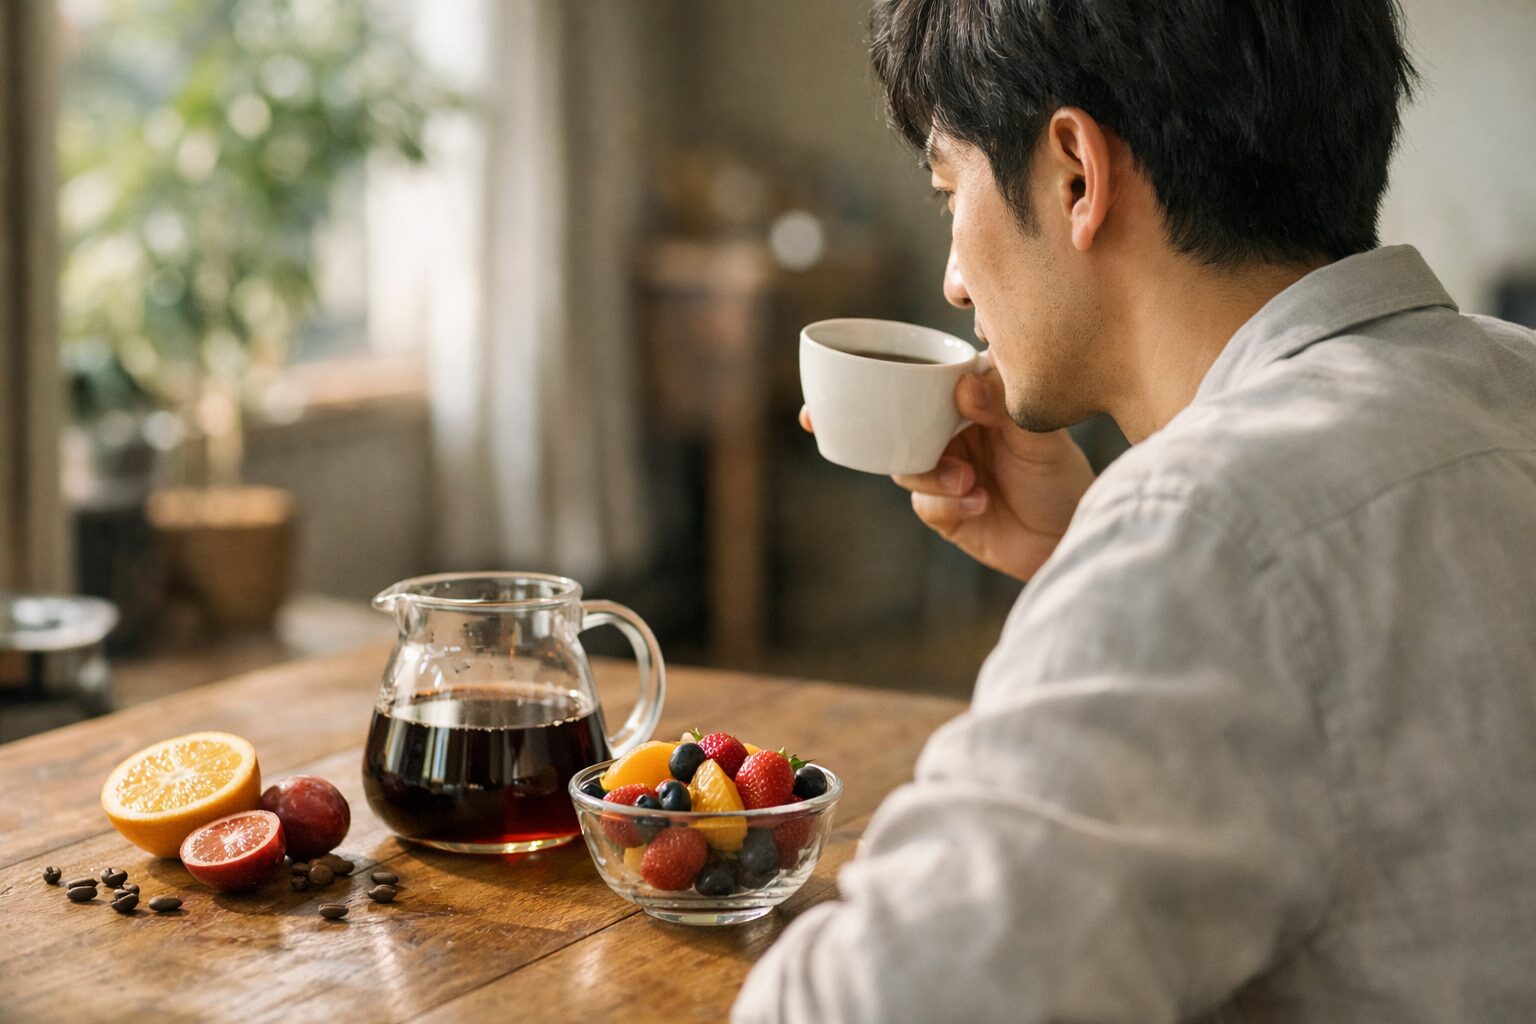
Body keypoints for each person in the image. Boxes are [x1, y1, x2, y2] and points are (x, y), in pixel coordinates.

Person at [733, 0, 1536, 1021]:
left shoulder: (1202, 539)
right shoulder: (1514, 379)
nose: (953, 280)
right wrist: (1088, 553)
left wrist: (1140, 557)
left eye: (948, 194)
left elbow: (862, 1005)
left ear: (1075, 172)